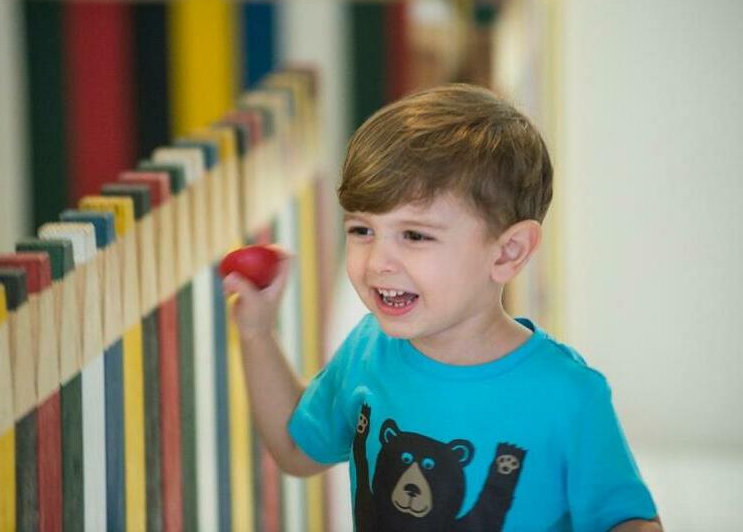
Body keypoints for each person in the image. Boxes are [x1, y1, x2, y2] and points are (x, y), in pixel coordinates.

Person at [223, 84, 661, 531]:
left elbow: (630, 522)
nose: (377, 262)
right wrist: (256, 333)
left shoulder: (568, 395)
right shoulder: (367, 350)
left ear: (508, 252)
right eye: (361, 230)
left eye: (414, 235)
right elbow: (297, 451)